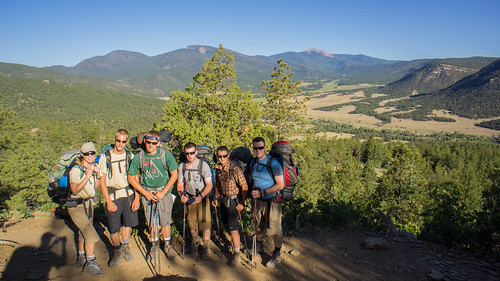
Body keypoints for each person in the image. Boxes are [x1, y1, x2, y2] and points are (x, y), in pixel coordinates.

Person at [128, 130, 179, 260]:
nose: (150, 145)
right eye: (148, 142)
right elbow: (131, 177)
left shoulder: (166, 155)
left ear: (158, 143)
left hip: (164, 191)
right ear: (144, 141)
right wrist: (145, 193)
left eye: (154, 143)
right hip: (148, 192)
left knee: (165, 221)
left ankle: (167, 245)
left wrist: (163, 193)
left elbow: (174, 175)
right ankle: (155, 245)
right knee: (152, 222)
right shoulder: (139, 157)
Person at [99, 129, 139, 267]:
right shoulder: (106, 157)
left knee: (127, 223)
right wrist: (108, 201)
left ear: (127, 141)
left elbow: (135, 177)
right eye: (118, 141)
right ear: (114, 140)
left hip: (128, 194)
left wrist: (137, 197)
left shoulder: (130, 156)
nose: (120, 144)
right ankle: (117, 251)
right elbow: (102, 181)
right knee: (114, 227)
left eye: (123, 141)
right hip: (113, 195)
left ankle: (125, 247)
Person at [68, 142, 104, 276]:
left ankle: (81, 258)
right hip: (76, 205)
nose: (90, 156)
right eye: (87, 154)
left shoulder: (93, 167)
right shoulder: (76, 170)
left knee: (83, 233)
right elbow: (75, 190)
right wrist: (88, 175)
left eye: (92, 153)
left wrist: (98, 175)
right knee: (91, 235)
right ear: (82, 154)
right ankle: (90, 263)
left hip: (88, 204)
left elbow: (94, 188)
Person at [249, 137, 284, 269]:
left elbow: (280, 185)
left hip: (272, 200)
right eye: (255, 148)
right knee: (258, 225)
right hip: (258, 200)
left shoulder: (273, 163)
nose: (258, 150)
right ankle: (258, 248)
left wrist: (263, 193)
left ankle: (277, 254)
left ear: (265, 147)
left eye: (260, 147)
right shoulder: (253, 162)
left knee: (276, 228)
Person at [213, 146, 248, 267]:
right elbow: (217, 184)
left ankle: (237, 254)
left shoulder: (235, 169)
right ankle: (234, 245)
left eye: (224, 156)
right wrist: (215, 197)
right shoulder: (218, 168)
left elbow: (244, 186)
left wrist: (243, 203)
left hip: (233, 202)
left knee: (233, 229)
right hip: (223, 200)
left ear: (228, 156)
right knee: (227, 226)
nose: (221, 158)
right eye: (219, 156)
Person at [177, 142, 213, 259]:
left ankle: (206, 247)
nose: (190, 155)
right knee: (192, 223)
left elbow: (209, 185)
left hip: (202, 197)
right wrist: (181, 194)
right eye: (187, 153)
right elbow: (180, 185)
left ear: (196, 152)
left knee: (205, 223)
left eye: (192, 153)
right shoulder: (182, 167)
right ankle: (195, 244)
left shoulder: (203, 165)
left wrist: (201, 196)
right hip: (189, 197)